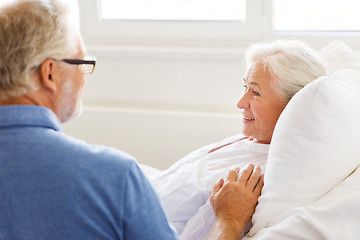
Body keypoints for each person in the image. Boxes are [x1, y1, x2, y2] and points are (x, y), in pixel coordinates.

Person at [0, 0, 178, 239]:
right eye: (81, 63)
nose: (84, 77)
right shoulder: (115, 177)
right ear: (49, 73)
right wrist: (227, 222)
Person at [146, 39, 327, 239]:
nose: (240, 103)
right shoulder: (255, 138)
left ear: (293, 107)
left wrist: (230, 218)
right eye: (245, 87)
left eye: (256, 92)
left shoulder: (254, 177)